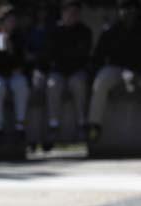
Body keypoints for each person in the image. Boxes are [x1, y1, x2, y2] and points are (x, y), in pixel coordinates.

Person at [88, 0, 141, 143]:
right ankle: (94, 125)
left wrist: (135, 74)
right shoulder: (111, 31)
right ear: (119, 11)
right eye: (124, 9)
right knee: (101, 79)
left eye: (132, 9)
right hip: (116, 69)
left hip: (138, 70)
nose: (128, 12)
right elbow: (98, 57)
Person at [44, 0, 92, 148]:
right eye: (69, 12)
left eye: (75, 13)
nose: (72, 16)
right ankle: (53, 125)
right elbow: (49, 55)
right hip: (58, 72)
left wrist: (66, 56)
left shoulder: (85, 31)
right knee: (52, 84)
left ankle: (81, 124)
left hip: (77, 71)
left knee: (78, 83)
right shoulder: (54, 31)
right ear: (62, 14)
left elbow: (82, 55)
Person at [0, 4, 29, 144]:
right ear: (1, 22)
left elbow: (22, 61)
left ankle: (20, 125)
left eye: (13, 20)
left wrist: (11, 50)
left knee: (21, 85)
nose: (12, 23)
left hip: (14, 75)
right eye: (9, 20)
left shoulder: (19, 37)